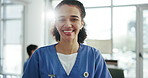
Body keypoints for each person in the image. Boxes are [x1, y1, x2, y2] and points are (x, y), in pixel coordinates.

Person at [23, 0, 112, 78]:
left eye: (74, 19)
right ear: (56, 24)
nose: (68, 25)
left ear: (81, 23)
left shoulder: (94, 56)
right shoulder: (40, 56)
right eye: (61, 19)